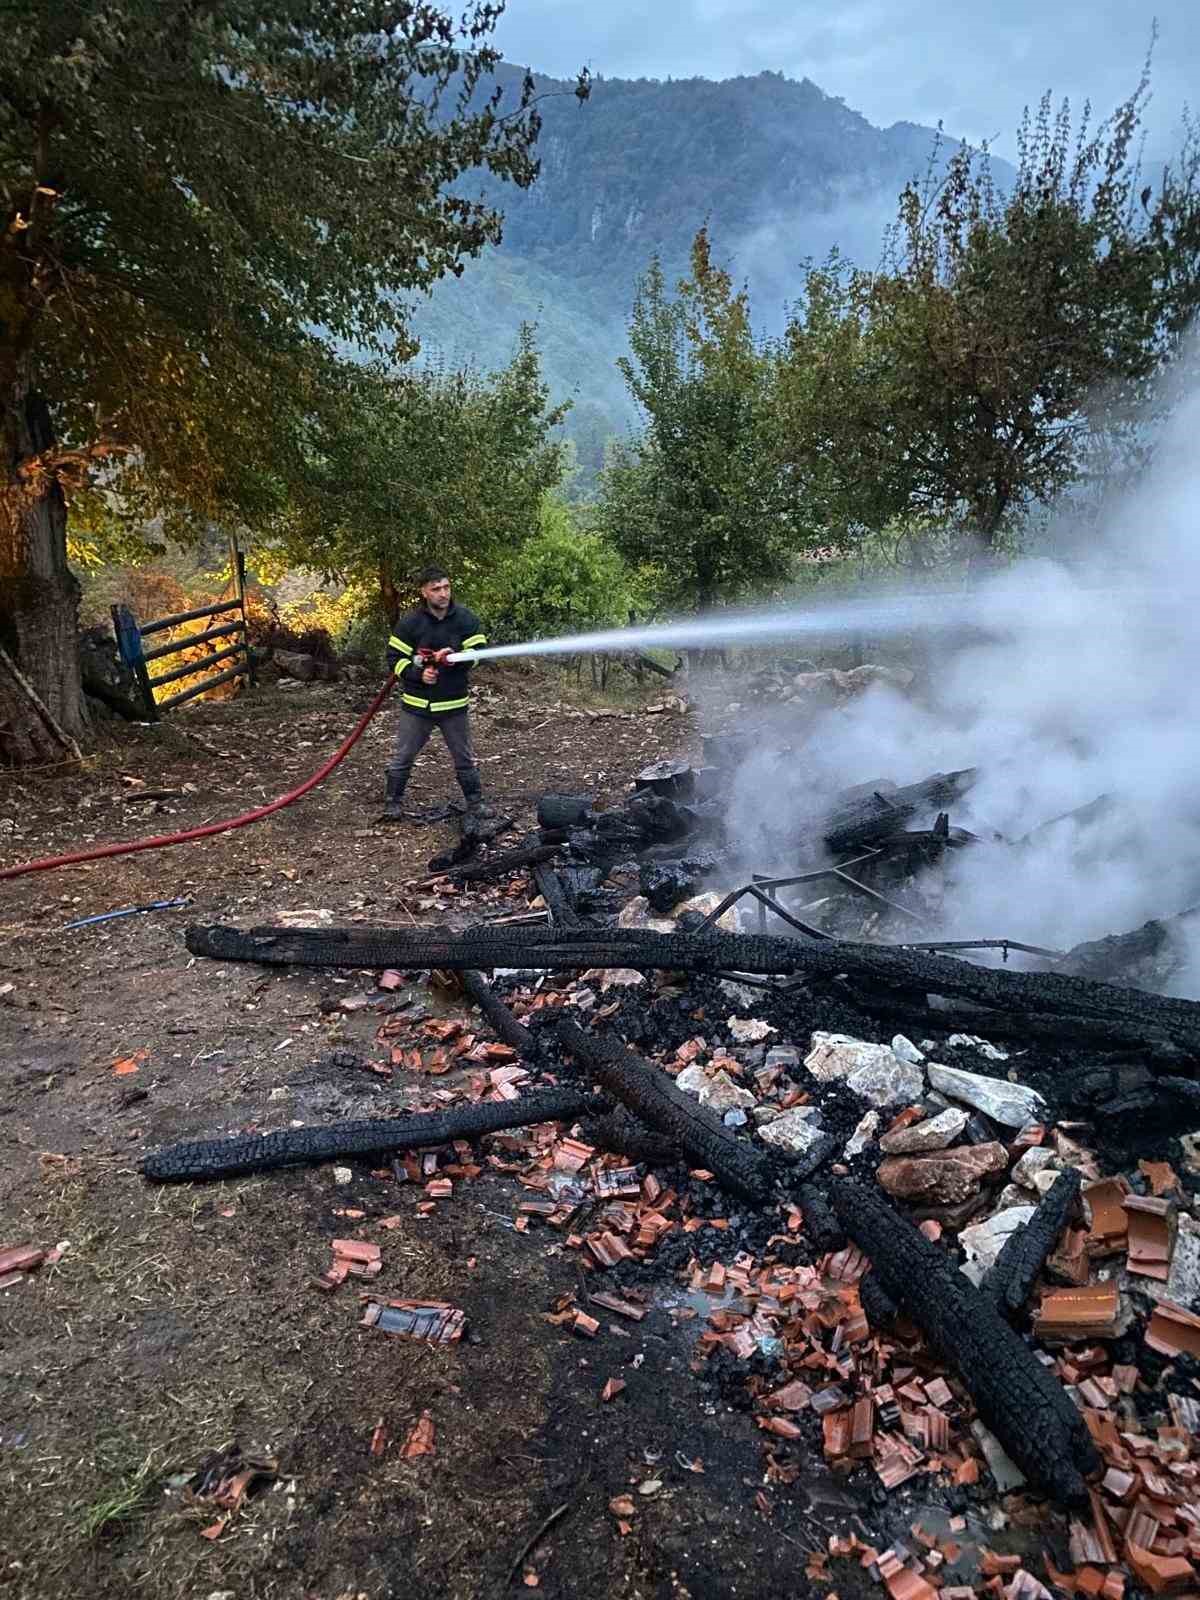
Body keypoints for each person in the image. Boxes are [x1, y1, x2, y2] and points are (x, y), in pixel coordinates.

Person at [380, 566, 489, 822]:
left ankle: (476, 803)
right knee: (403, 756)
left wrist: (455, 660)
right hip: (418, 706)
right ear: (424, 592)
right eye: (436, 589)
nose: (443, 594)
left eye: (446, 587)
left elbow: (479, 654)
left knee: (464, 758)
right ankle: (392, 803)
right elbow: (394, 658)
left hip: (454, 704)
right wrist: (419, 674)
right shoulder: (410, 624)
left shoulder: (465, 619)